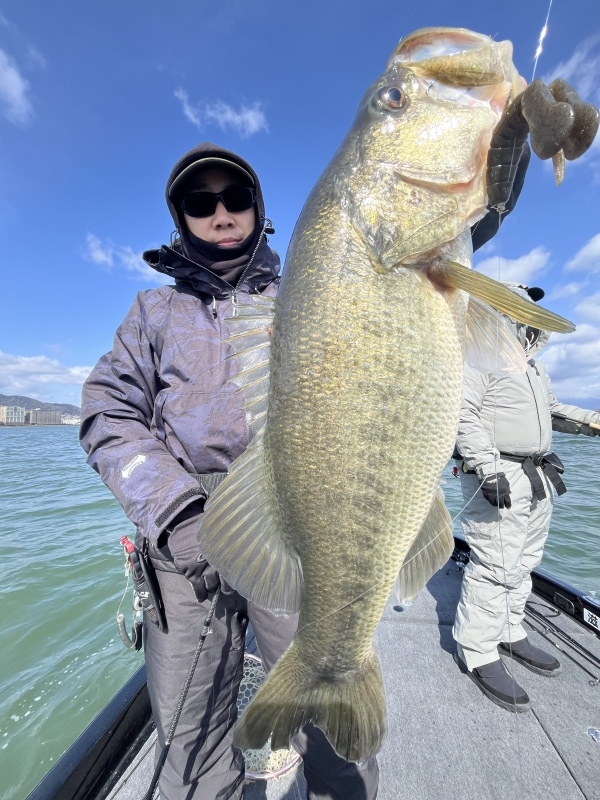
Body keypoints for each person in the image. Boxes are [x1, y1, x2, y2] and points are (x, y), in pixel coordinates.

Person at [79, 142, 381, 800]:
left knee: (331, 711)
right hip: (185, 547)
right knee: (188, 734)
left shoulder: (309, 298)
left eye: (235, 198)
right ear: (181, 217)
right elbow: (108, 412)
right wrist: (178, 513)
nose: (221, 212)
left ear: (258, 209)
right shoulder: (151, 313)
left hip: (292, 528)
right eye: (200, 201)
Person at [452, 282, 600, 712]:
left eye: (531, 304)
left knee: (525, 561)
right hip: (498, 472)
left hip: (537, 473)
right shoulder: (477, 353)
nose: (527, 310)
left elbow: (552, 409)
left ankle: (510, 630)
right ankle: (476, 650)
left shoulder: (532, 365)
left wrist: (593, 421)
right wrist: (485, 464)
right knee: (495, 564)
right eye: (518, 303)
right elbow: (464, 411)